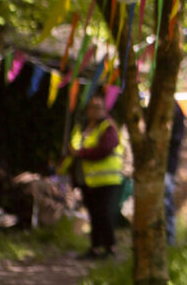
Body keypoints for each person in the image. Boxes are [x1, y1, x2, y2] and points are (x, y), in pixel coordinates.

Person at [68, 93, 123, 259]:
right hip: (88, 179)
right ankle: (96, 248)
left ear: (104, 109)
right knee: (94, 213)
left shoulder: (108, 127)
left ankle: (110, 248)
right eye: (92, 107)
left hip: (107, 180)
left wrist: (82, 153)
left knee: (104, 213)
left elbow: (105, 149)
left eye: (98, 107)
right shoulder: (82, 128)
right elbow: (72, 147)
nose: (94, 111)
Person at [164, 101, 185, 246]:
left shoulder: (175, 110)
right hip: (158, 166)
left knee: (166, 201)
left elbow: (174, 140)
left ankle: (169, 240)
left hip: (167, 166)